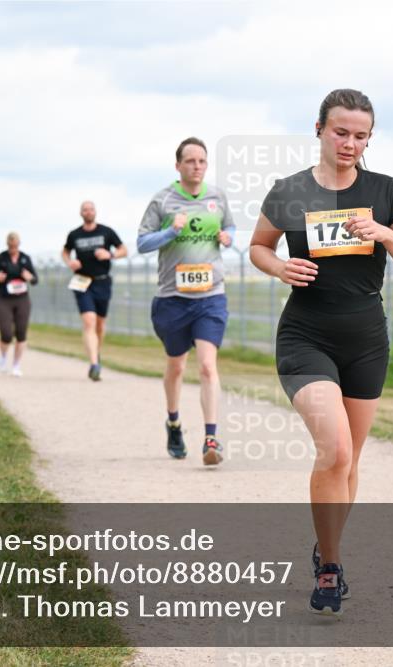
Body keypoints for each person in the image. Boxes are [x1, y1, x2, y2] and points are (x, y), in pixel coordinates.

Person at [249, 89, 393, 616]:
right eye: (341, 132)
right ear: (320, 129)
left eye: (361, 135)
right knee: (336, 450)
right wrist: (278, 267)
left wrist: (384, 235)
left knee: (351, 463)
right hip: (306, 335)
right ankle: (330, 568)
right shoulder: (290, 190)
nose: (350, 143)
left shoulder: (384, 190)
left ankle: (327, 546)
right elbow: (259, 246)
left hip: (366, 339)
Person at [137, 137, 235, 465]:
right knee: (177, 366)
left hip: (210, 296)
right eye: (190, 161)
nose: (197, 166)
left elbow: (230, 225)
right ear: (178, 165)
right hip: (172, 299)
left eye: (202, 161)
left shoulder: (216, 196)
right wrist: (169, 232)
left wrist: (228, 237)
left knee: (207, 366)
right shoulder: (162, 200)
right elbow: (141, 243)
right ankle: (174, 422)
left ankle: (211, 438)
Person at [61, 200, 127, 381]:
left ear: (95, 212)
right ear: (80, 213)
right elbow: (65, 252)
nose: (88, 212)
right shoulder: (74, 234)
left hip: (102, 282)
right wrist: (70, 262)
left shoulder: (106, 231)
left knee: (99, 324)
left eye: (91, 209)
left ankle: (96, 353)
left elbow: (124, 250)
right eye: (85, 209)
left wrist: (110, 254)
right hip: (82, 282)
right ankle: (94, 364)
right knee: (89, 321)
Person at [0, 232, 39, 376]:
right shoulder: (0, 258)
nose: (13, 248)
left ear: (19, 244)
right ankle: (3, 357)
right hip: (4, 299)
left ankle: (16, 365)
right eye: (10, 246)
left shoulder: (25, 258)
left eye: (15, 246)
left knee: (21, 333)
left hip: (22, 299)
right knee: (6, 333)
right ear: (7, 244)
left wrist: (30, 278)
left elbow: (35, 280)